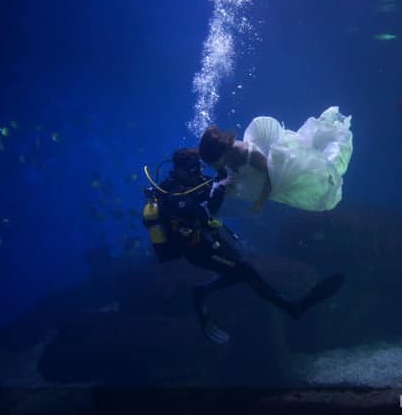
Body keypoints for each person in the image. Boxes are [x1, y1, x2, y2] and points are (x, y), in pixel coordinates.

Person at [142, 148, 344, 344]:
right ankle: (289, 307)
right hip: (195, 249)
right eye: (193, 170)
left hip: (205, 240)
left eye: (199, 168)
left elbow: (209, 193)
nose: (198, 174)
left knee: (240, 267)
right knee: (245, 271)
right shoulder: (173, 195)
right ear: (179, 169)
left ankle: (203, 291)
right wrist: (218, 190)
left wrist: (225, 177)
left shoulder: (190, 183)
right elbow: (203, 216)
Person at [199, 106, 353, 213]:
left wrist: (261, 201)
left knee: (316, 179)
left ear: (220, 154)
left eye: (213, 163)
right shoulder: (228, 158)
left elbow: (270, 174)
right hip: (260, 180)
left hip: (282, 175)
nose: (213, 166)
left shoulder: (245, 152)